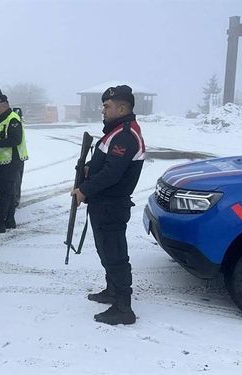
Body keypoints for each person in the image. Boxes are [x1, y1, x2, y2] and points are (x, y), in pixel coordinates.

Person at [71, 85, 145, 325]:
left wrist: (84, 189)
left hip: (111, 204)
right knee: (106, 251)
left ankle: (124, 307)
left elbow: (113, 173)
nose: (103, 110)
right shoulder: (115, 132)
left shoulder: (125, 134)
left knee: (115, 255)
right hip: (104, 203)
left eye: (107, 106)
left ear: (121, 108)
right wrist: (88, 169)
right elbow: (105, 163)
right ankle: (112, 291)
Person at [0, 94, 29, 235]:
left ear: (4, 105)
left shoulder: (13, 119)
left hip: (11, 162)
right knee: (9, 192)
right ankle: (9, 220)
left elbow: (15, 139)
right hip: (7, 162)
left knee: (4, 193)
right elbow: (5, 137)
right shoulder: (4, 120)